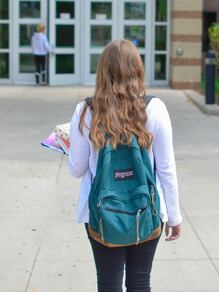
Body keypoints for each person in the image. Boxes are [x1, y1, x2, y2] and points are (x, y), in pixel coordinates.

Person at [67, 39, 182, 292]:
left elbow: (76, 169)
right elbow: (166, 168)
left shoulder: (86, 111)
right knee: (140, 283)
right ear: (137, 69)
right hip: (147, 209)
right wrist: (174, 215)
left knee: (108, 284)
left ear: (102, 70)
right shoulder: (155, 108)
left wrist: (69, 145)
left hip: (101, 213)